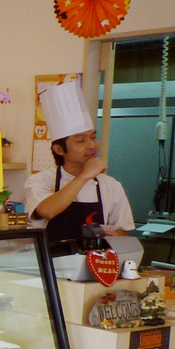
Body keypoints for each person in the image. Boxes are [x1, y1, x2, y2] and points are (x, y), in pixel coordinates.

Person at [25, 81, 134, 242]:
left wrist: (117, 235)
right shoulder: (41, 180)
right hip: (53, 257)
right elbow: (47, 211)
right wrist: (84, 176)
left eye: (93, 137)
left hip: (94, 257)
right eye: (81, 140)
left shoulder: (111, 186)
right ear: (59, 149)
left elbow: (124, 233)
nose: (91, 146)